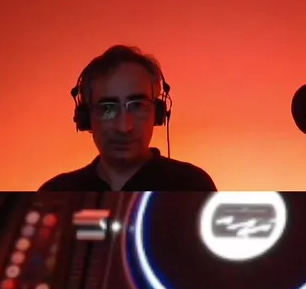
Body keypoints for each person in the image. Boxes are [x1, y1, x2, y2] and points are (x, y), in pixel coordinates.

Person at [39, 46, 217, 192]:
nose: (124, 127)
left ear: (158, 113)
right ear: (86, 118)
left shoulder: (193, 186)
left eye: (138, 105)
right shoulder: (55, 193)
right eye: (107, 108)